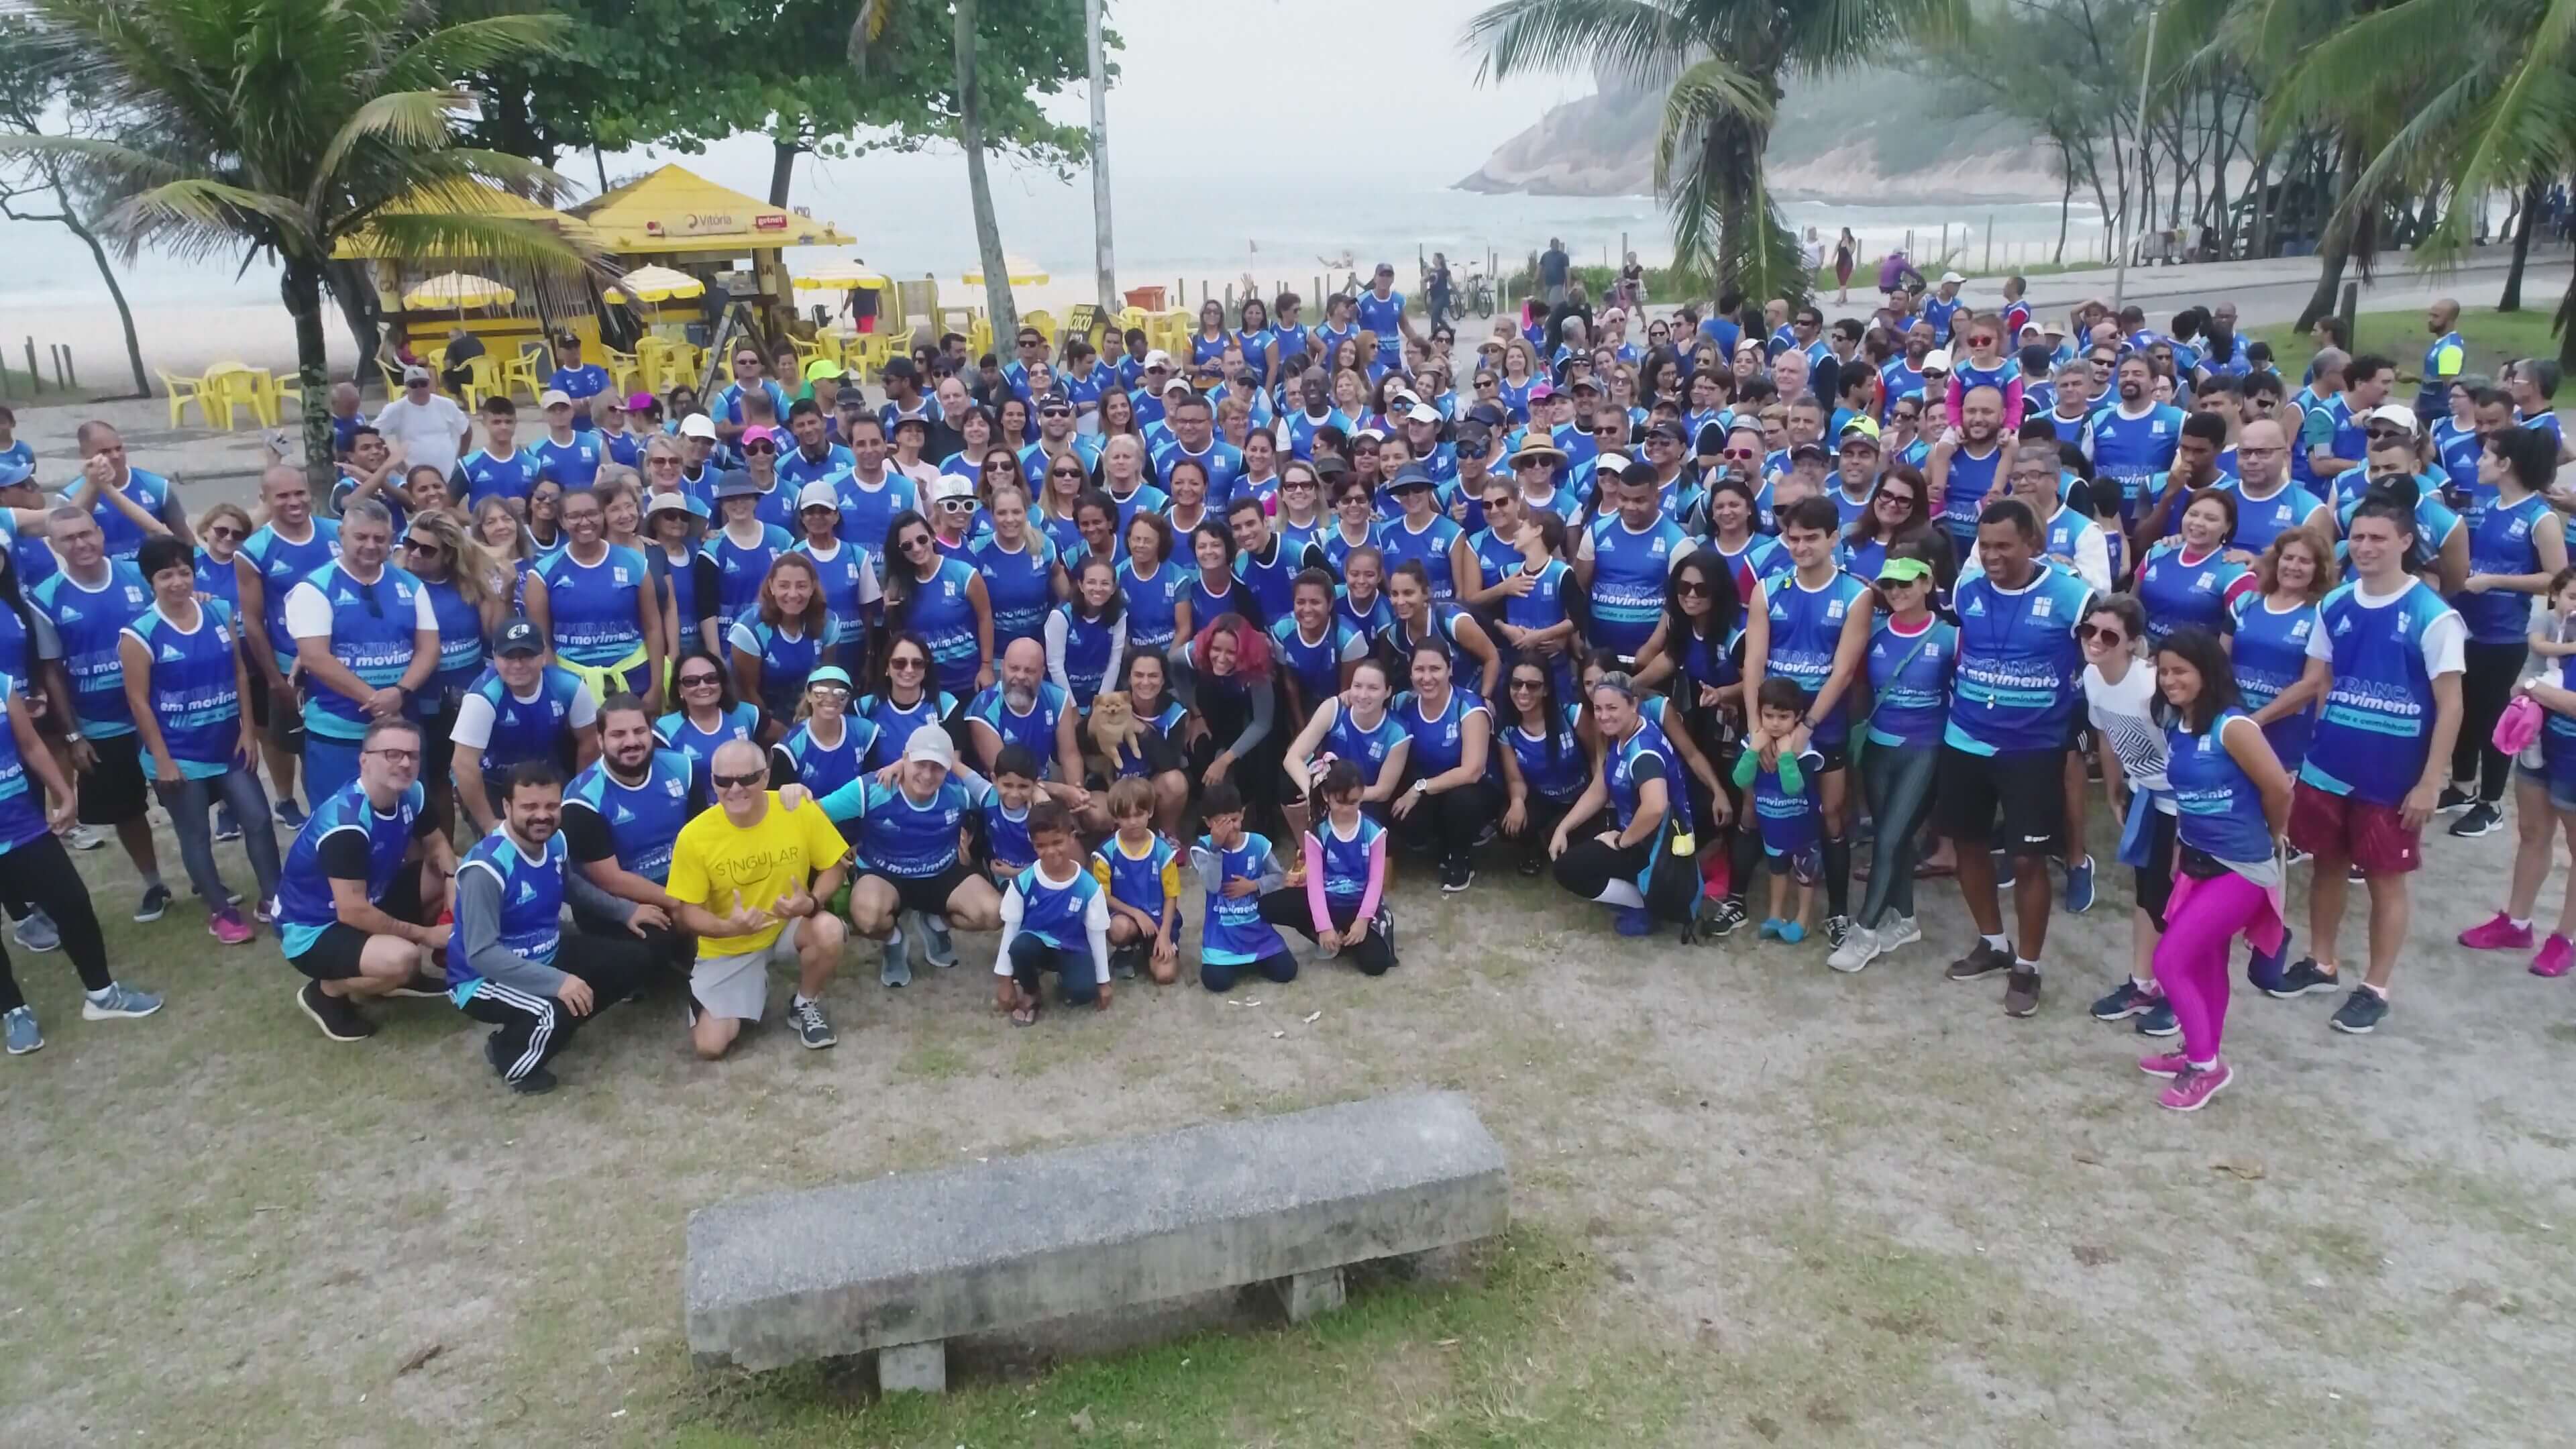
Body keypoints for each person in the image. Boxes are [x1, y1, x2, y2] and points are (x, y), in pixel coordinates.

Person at [2274, 498, 2465, 1035]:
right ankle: (2321, 962)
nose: (2365, 547)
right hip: (2330, 764)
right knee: (2326, 863)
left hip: (2393, 775)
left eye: (2379, 538)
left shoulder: (2432, 614)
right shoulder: (2334, 603)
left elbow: (2451, 704)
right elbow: (2320, 680)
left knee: (2385, 879)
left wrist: (2430, 782)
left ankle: (2376, 987)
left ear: (2405, 542)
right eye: (2358, 537)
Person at [1937, 499, 2096, 1017]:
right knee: (1967, 846)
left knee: (2027, 860)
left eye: (2004, 545)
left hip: (2033, 748)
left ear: (2034, 543)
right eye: (1985, 546)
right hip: (1965, 738)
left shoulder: (2074, 597)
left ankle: (2027, 966)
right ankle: (1992, 941)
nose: (1992, 556)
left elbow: (2109, 651)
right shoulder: (1968, 590)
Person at [2138, 627, 2295, 1111]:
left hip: (2241, 868)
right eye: (2164, 671)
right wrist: (2180, 851)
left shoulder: (2234, 727)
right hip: (2197, 860)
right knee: (2206, 963)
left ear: (2207, 673)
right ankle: (2197, 1048)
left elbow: (2279, 789)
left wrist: (2272, 837)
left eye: (2180, 671)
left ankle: (2207, 1068)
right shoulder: (2177, 727)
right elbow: (2187, 798)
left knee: (2168, 961)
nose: (2169, 681)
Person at [445, 761, 659, 1094]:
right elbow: (482, 954)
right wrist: (558, 982)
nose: (542, 815)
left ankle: (562, 1020)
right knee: (551, 1013)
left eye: (550, 806)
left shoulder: (556, 840)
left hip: (548, 951)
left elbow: (571, 887)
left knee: (636, 960)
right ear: (507, 807)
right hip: (481, 979)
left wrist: (626, 911)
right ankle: (508, 1054)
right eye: (529, 807)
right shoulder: (486, 869)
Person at [119, 534, 280, 941]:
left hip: (228, 744)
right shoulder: (140, 633)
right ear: (149, 580)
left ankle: (274, 900)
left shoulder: (220, 610)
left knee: (259, 819)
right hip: (179, 753)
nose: (178, 582)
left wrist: (248, 730)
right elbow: (138, 702)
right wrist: (162, 759)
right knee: (196, 835)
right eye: (166, 575)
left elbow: (240, 672)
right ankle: (221, 912)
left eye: (184, 572)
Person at [0, 665, 158, 1056]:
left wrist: (63, 792)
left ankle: (102, 994)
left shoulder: (2, 685)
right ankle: (13, 1011)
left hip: (21, 823)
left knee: (71, 901)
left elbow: (31, 744)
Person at [662, 738, 851, 1057]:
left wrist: (813, 902)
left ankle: (804, 1004)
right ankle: (751, 985)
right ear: (713, 782)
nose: (735, 789)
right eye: (724, 780)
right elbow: (687, 913)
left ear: (765, 777)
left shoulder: (795, 810)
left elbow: (835, 865)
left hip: (786, 926)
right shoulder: (694, 836)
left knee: (830, 929)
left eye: (747, 778)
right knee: (710, 1047)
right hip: (729, 945)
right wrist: (729, 927)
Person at [274, 717, 458, 1042]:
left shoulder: (411, 792)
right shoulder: (346, 825)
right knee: (404, 958)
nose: (405, 763)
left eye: (412, 755)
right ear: (364, 760)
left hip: (370, 900)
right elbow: (352, 912)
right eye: (392, 754)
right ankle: (326, 992)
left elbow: (438, 844)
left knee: (456, 873)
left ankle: (390, 977)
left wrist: (453, 883)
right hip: (314, 929)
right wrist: (428, 936)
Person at [1740, 494, 1871, 942]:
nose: (1800, 547)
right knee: (1761, 809)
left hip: (1823, 725)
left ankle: (1836, 911)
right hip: (1771, 724)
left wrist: (1807, 728)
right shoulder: (1767, 588)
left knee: (1830, 814)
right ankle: (1746, 902)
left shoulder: (1856, 594)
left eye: (1811, 538)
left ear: (1834, 538)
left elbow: (1843, 671)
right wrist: (1757, 726)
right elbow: (1754, 662)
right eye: (1793, 538)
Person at [32, 505, 172, 918]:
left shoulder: (137, 577)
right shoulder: (45, 600)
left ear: (100, 532)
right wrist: (73, 735)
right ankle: (154, 884)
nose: (81, 544)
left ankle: (203, 873)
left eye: (85, 534)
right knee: (127, 810)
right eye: (68, 539)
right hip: (101, 725)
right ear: (54, 547)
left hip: (160, 714)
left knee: (184, 797)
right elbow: (53, 673)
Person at [2440, 425, 2567, 838]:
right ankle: (2461, 786)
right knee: (2463, 711)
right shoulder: (2491, 505)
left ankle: (2491, 803)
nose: (2477, 462)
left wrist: (2495, 580)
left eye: (2486, 456)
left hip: (2505, 634)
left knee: (2494, 716)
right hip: (2468, 627)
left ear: (2506, 464)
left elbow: (2557, 579)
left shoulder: (2539, 517)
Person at [1830, 555, 1951, 971]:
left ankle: (1864, 931)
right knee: (1889, 835)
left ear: (1926, 583)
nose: (1897, 592)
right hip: (1878, 748)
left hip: (1925, 748)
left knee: (1890, 838)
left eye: (1906, 584)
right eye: (1890, 585)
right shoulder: (1876, 631)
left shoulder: (1950, 636)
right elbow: (1858, 687)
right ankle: (1906, 921)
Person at [818, 723, 1002, 987]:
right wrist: (834, 850)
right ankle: (894, 941)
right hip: (883, 874)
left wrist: (955, 766)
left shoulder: (959, 793)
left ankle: (936, 924)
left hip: (942, 872)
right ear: (904, 758)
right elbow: (815, 814)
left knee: (994, 913)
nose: (928, 775)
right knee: (868, 918)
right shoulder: (872, 788)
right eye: (920, 764)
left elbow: (999, 798)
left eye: (938, 767)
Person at [2075, 595, 2184, 1038]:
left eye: (2109, 635)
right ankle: (2142, 984)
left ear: (2133, 643)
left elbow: (2189, 751)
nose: (2095, 642)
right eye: (2089, 631)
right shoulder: (2092, 677)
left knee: (2178, 901)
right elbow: (2104, 734)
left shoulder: (2153, 688)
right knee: (2146, 893)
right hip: (2146, 797)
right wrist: (2116, 789)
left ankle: (2179, 995)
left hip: (2182, 804)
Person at [286, 499, 439, 804]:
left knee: (407, 817)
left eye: (380, 539)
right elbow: (315, 657)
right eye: (362, 537)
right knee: (340, 819)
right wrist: (375, 700)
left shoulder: (410, 584)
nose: (371, 545)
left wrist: (400, 691)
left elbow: (429, 648)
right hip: (338, 732)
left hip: (399, 727)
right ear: (342, 535)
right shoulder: (314, 588)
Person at [563, 692, 702, 977]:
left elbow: (704, 838)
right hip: (622, 902)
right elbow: (610, 879)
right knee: (649, 952)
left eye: (639, 731)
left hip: (684, 886)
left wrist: (700, 894)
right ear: (601, 741)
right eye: (618, 734)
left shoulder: (683, 768)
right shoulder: (582, 800)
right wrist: (676, 902)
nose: (631, 742)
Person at [1550, 672, 1689, 936]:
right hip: (1645, 838)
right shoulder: (1626, 734)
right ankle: (1637, 890)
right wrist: (1563, 828)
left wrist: (1621, 841)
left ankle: (1647, 903)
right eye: (1598, 708)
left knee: (1567, 869)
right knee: (1572, 841)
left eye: (1612, 708)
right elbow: (1600, 789)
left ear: (1633, 704)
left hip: (1658, 849)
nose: (1603, 716)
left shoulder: (1644, 750)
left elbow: (1656, 806)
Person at [452, 619, 597, 834]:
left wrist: (577, 800)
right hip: (494, 782)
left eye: (527, 655)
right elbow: (463, 764)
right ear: (494, 656)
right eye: (508, 657)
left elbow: (590, 743)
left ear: (544, 655)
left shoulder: (570, 687)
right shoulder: (482, 698)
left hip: (549, 776)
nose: (518, 665)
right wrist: (489, 824)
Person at [989, 799, 1114, 1025]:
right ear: (1033, 844)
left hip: (1073, 948)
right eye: (1042, 846)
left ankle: (1065, 978)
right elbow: (1010, 932)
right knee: (1020, 946)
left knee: (1084, 992)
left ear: (1072, 837)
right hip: (1036, 945)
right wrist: (1004, 981)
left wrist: (1103, 983)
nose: (1051, 851)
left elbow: (1097, 935)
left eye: (1058, 842)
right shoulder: (1023, 883)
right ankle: (1031, 992)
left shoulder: (1089, 886)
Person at [1190, 780, 1301, 991]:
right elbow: (1212, 886)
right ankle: (1233, 962)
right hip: (1222, 935)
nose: (1229, 828)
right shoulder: (1204, 848)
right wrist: (1216, 848)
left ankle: (1255, 959)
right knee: (1216, 983)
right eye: (1221, 823)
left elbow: (1278, 877)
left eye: (1233, 820)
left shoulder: (1258, 843)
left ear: (1242, 814)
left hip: (1256, 930)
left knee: (1287, 971)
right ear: (1208, 822)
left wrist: (1254, 886)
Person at [1735, 678, 1824, 942]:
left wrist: (1786, 755)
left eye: (1783, 717)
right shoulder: (1754, 743)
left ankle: (1802, 919)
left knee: (1805, 876)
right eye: (1768, 716)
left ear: (1798, 717)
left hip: (1803, 829)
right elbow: (1740, 780)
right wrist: (1753, 749)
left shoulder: (1804, 749)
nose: (1774, 723)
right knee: (1777, 869)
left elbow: (1793, 787)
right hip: (1772, 825)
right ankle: (1775, 915)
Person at [1090, 775, 1181, 983]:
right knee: (1119, 928)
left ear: (1150, 812)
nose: (1133, 822)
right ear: (1115, 817)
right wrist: (1136, 914)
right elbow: (1103, 895)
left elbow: (1171, 896)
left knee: (1165, 976)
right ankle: (1126, 948)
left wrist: (1165, 935)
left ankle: (1154, 946)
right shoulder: (1106, 853)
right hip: (1126, 919)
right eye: (1125, 816)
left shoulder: (1163, 851)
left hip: (1159, 921)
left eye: (1139, 814)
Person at [374, 366, 472, 483]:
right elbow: (375, 435)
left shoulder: (446, 404)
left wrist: (461, 458)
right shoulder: (395, 409)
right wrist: (392, 459)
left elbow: (466, 430)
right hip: (416, 476)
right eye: (414, 385)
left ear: (429, 384)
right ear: (406, 387)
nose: (419, 388)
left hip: (449, 473)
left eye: (423, 383)